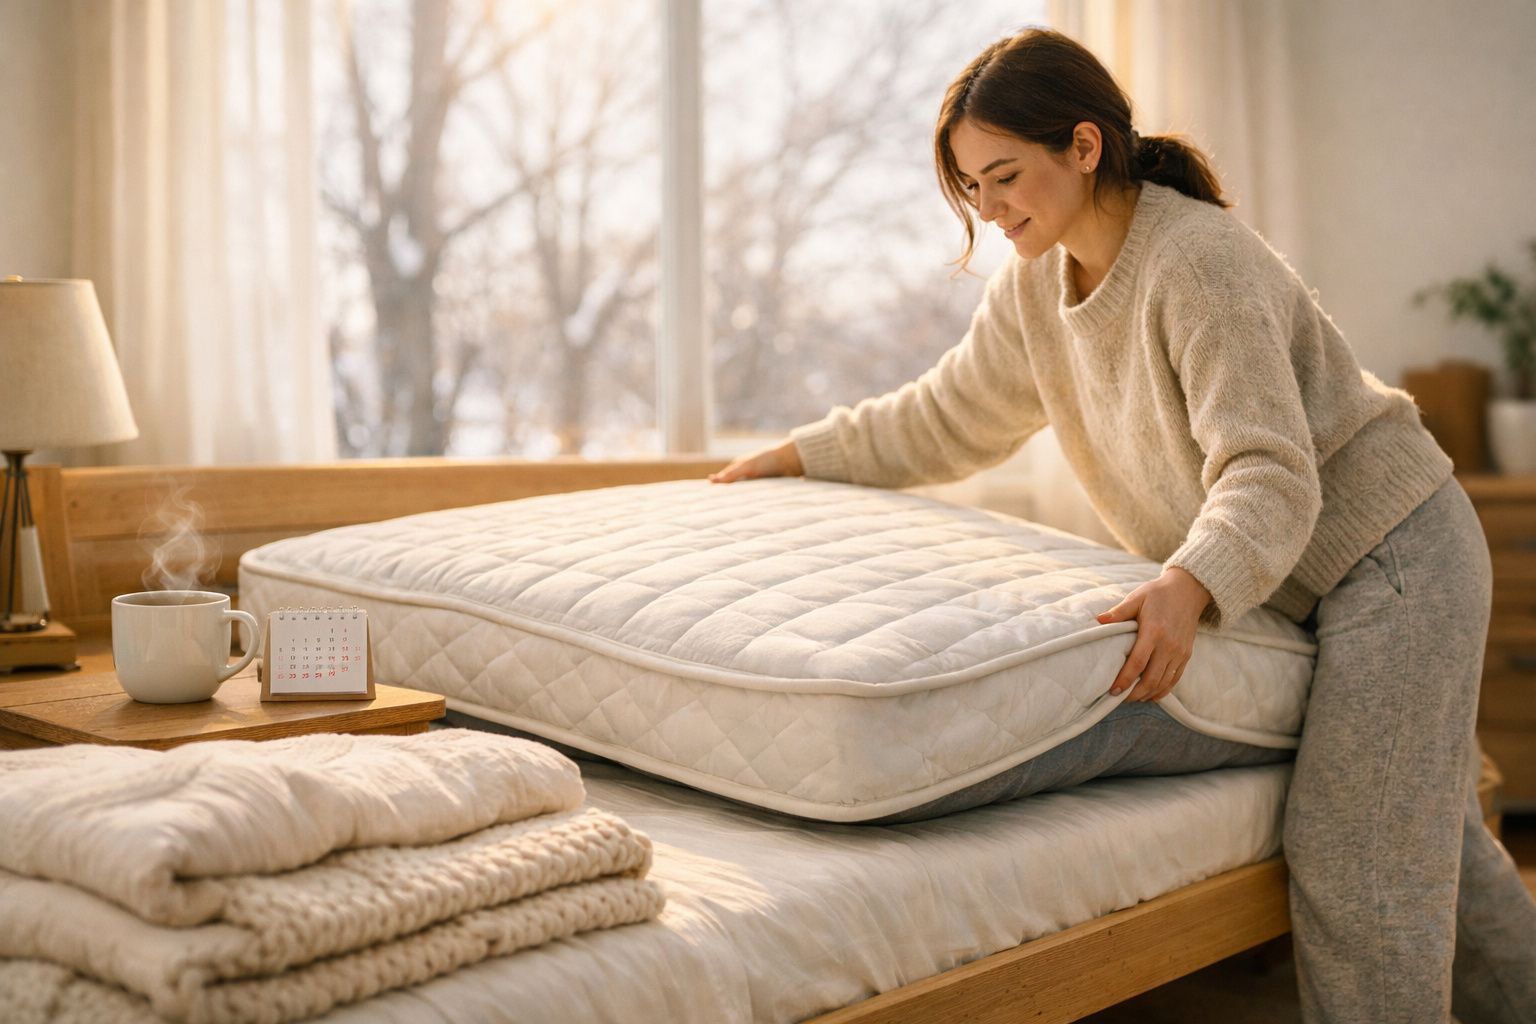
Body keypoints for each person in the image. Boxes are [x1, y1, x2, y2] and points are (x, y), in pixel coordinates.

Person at [708, 26, 1536, 1024]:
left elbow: (1270, 474)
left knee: (1360, 856)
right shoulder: (1035, 287)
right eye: (971, 187)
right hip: (1320, 575)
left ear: (1085, 146)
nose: (989, 207)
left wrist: (1188, 585)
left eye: (1005, 175)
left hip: (1396, 555)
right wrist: (796, 454)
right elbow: (943, 417)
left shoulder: (1198, 261)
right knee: (1440, 850)